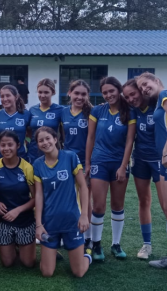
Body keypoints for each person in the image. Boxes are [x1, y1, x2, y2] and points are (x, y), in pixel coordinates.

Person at [122, 78, 167, 260]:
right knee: (144, 201)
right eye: (128, 96)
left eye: (134, 93)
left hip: (161, 160)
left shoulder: (158, 104)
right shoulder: (132, 111)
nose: (131, 98)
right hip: (140, 160)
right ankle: (147, 244)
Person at [85, 76, 135, 262]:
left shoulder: (129, 111)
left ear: (118, 90)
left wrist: (123, 166)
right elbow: (90, 138)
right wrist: (88, 163)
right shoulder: (97, 110)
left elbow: (130, 140)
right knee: (98, 205)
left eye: (111, 91)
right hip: (99, 162)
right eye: (105, 92)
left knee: (117, 205)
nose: (108, 95)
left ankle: (116, 244)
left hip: (119, 164)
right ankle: (96, 244)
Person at [33, 126, 91, 277]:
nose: (45, 142)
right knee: (47, 272)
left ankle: (87, 254)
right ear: (37, 144)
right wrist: (38, 225)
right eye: (41, 140)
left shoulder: (70, 157)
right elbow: (38, 196)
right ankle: (52, 252)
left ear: (55, 139)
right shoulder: (38, 164)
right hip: (50, 222)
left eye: (47, 138)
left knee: (78, 272)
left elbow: (83, 187)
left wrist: (84, 215)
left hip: (72, 220)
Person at [0, 131, 36, 268]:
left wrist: (18, 210)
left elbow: (36, 199)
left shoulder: (27, 168)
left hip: (25, 219)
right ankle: (14, 244)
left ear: (18, 145)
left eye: (10, 145)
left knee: (28, 263)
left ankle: (22, 245)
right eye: (2, 145)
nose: (6, 148)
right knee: (7, 263)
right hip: (3, 220)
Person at [61, 79, 93, 247]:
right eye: (76, 93)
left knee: (86, 198)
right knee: (67, 198)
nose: (79, 97)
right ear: (70, 94)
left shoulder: (92, 112)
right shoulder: (63, 112)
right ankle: (65, 233)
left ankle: (87, 237)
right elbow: (61, 137)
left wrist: (88, 163)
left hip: (86, 162)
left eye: (83, 94)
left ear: (88, 96)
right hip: (67, 161)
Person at [28, 79, 63, 164]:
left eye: (46, 92)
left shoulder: (60, 110)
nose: (42, 95)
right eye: (40, 92)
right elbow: (28, 132)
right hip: (34, 153)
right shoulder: (32, 110)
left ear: (53, 92)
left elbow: (63, 133)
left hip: (52, 153)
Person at [0, 85, 31, 161]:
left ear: (16, 97)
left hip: (20, 156)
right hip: (0, 156)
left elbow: (30, 134)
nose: (5, 99)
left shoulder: (26, 114)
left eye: (8, 95)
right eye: (2, 96)